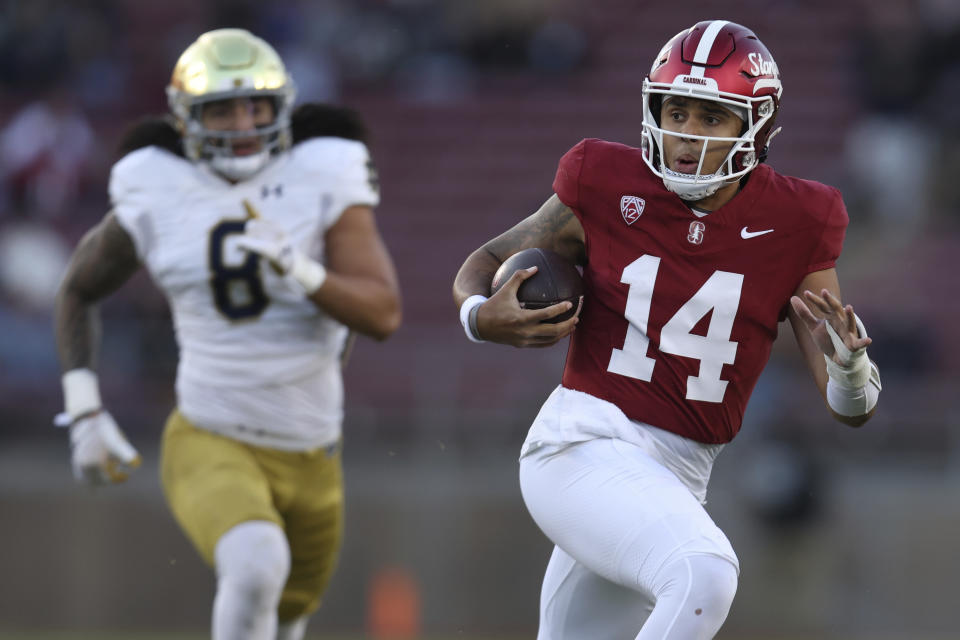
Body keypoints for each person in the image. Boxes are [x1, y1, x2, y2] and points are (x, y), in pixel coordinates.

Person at [453, 20, 881, 640]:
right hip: (581, 444)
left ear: (756, 125)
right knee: (704, 574)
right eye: (677, 111)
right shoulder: (602, 179)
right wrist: (476, 316)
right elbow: (486, 262)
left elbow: (852, 409)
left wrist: (849, 371)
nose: (687, 135)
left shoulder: (800, 218)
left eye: (712, 118)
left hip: (678, 474)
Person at [54, 28, 401, 640]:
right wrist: (83, 412)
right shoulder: (156, 185)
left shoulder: (324, 170)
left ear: (281, 108)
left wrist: (302, 270)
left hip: (314, 450)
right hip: (212, 435)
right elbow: (78, 288)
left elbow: (381, 314)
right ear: (189, 117)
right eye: (222, 107)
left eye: (255, 106)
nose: (242, 122)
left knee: (287, 619)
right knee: (256, 566)